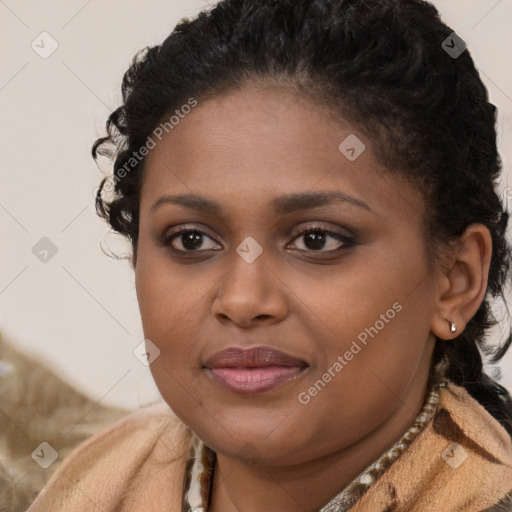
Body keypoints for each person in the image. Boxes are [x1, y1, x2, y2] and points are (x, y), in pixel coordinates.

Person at [27, 0, 512, 510]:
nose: (242, 299)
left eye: (316, 240)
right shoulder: (96, 483)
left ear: (455, 281)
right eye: (191, 239)